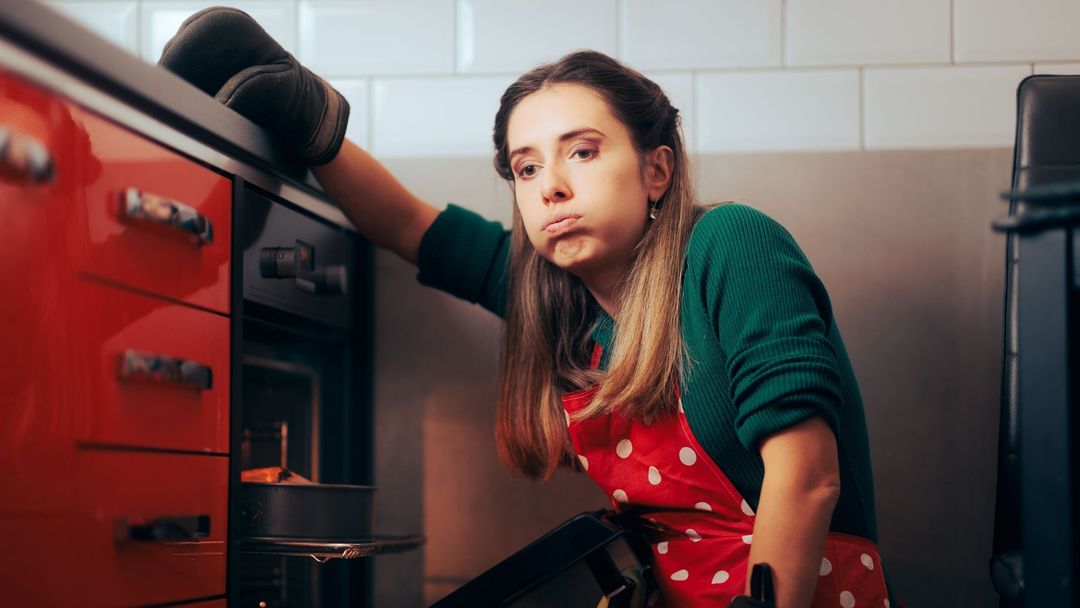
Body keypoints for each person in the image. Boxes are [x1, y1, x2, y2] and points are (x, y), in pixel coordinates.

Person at [160, 8, 897, 608]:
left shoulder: (732, 246)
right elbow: (411, 227)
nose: (550, 187)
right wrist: (309, 118)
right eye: (526, 166)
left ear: (656, 170)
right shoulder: (556, 300)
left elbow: (807, 476)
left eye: (581, 152)